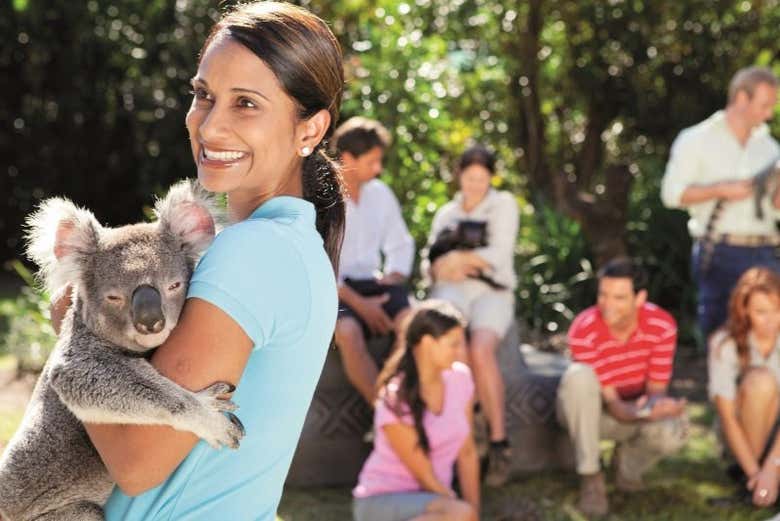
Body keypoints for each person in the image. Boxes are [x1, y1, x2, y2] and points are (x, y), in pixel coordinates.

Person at [52, 3, 347, 519]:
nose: (210, 126)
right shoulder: (289, 244)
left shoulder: (253, 252)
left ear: (310, 129)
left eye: (246, 104)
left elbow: (139, 464)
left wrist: (70, 329)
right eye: (203, 95)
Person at [557, 258, 688, 517]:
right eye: (603, 295)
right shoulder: (585, 329)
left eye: (619, 297)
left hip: (631, 411)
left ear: (640, 299)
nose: (607, 305)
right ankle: (591, 475)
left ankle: (627, 468)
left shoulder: (662, 326)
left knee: (674, 429)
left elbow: (656, 392)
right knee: (579, 376)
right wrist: (640, 412)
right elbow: (615, 407)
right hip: (588, 414)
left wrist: (659, 407)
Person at [422, 143, 519, 487]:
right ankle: (461, 441)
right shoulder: (446, 213)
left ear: (491, 178)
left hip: (492, 290)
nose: (475, 184)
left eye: (482, 178)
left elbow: (499, 253)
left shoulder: (503, 205)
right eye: (469, 177)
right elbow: (430, 264)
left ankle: (497, 441)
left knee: (480, 349)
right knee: (455, 351)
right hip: (452, 291)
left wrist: (458, 260)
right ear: (459, 176)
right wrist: (441, 267)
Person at [661, 66, 780, 341]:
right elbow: (671, 194)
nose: (769, 114)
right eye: (763, 105)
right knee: (722, 338)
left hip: (767, 252)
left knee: (769, 341)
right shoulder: (696, 140)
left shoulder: (770, 148)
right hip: (720, 250)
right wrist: (721, 189)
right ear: (741, 98)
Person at [352, 300, 479, 521]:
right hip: (380, 501)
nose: (461, 351)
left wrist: (474, 512)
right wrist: (464, 514)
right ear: (428, 343)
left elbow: (467, 452)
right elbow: (425, 477)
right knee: (460, 514)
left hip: (434, 503)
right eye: (454, 344)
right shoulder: (394, 399)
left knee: (463, 514)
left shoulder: (461, 379)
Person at [331, 117, 416, 405]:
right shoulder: (321, 199)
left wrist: (393, 276)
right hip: (335, 291)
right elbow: (322, 267)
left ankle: (401, 398)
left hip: (373, 281)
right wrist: (360, 305)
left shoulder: (380, 193)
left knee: (412, 323)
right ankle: (385, 414)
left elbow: (401, 243)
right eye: (372, 161)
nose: (378, 169)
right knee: (348, 332)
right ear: (347, 158)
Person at [709, 267, 780, 508]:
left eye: (777, 310)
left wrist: (773, 466)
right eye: (761, 312)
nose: (771, 320)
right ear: (744, 310)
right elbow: (727, 418)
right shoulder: (724, 344)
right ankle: (749, 482)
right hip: (742, 440)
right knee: (761, 381)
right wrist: (756, 475)